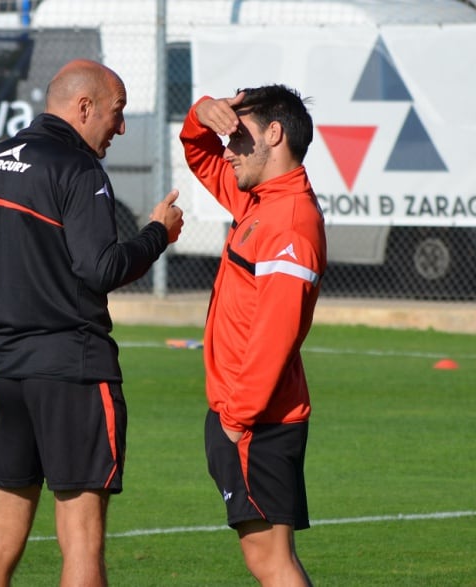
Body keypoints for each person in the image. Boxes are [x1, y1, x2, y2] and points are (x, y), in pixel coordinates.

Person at [0, 58, 183, 587]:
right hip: (74, 373)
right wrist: (156, 232)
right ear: (85, 107)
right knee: (81, 540)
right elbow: (100, 268)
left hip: (8, 373)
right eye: (116, 112)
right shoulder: (77, 169)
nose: (120, 128)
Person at [179, 85, 327, 586]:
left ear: (275, 133)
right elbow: (199, 152)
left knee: (272, 562)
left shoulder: (286, 220)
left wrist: (236, 420)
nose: (229, 149)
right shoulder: (258, 198)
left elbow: (276, 332)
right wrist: (203, 113)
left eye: (239, 136)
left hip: (255, 419)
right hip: (248, 414)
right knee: (267, 559)